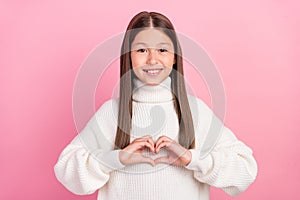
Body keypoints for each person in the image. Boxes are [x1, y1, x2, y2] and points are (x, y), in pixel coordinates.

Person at [54, 11, 258, 200]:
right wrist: (116, 158)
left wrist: (192, 159)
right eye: (142, 50)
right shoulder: (111, 113)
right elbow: (66, 170)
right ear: (129, 56)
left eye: (162, 49)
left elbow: (245, 170)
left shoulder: (195, 111)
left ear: (175, 56)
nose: (152, 59)